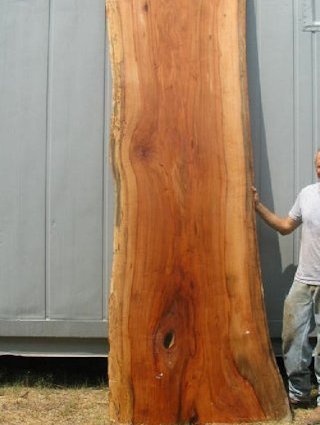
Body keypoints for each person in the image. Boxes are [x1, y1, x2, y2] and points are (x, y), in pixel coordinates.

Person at [253, 150, 320, 425]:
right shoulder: (307, 194)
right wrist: (256, 205)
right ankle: (299, 392)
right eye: (318, 164)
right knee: (292, 336)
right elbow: (284, 226)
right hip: (305, 279)